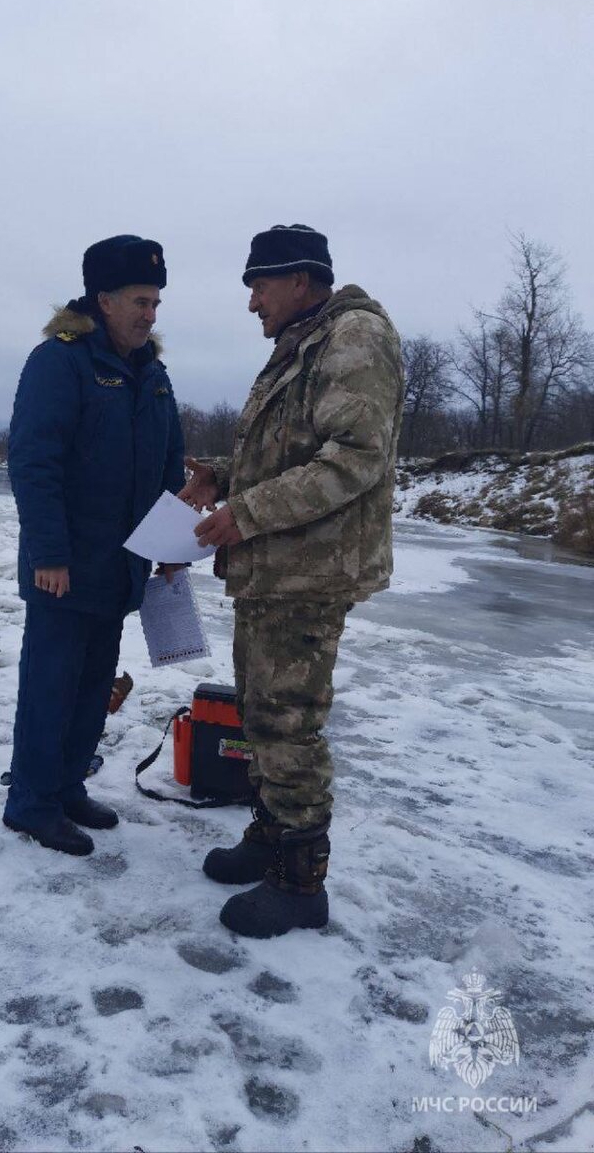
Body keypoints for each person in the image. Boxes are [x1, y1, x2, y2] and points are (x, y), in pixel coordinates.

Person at [180, 223, 403, 938]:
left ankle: (301, 882)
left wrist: (245, 513)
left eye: (260, 286)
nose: (252, 302)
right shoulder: (304, 343)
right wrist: (223, 476)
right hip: (275, 570)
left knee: (287, 721)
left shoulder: (354, 338)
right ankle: (272, 836)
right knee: (260, 713)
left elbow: (355, 458)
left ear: (301, 281)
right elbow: (290, 451)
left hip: (310, 571)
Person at [4, 235, 185, 856]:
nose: (150, 314)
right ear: (104, 300)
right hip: (65, 567)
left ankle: (67, 787)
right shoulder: (60, 362)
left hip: (121, 566)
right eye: (140, 301)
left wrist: (171, 543)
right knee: (51, 687)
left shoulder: (153, 375)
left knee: (92, 688)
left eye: (156, 302)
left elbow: (169, 467)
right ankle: (31, 802)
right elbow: (34, 461)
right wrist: (49, 553)